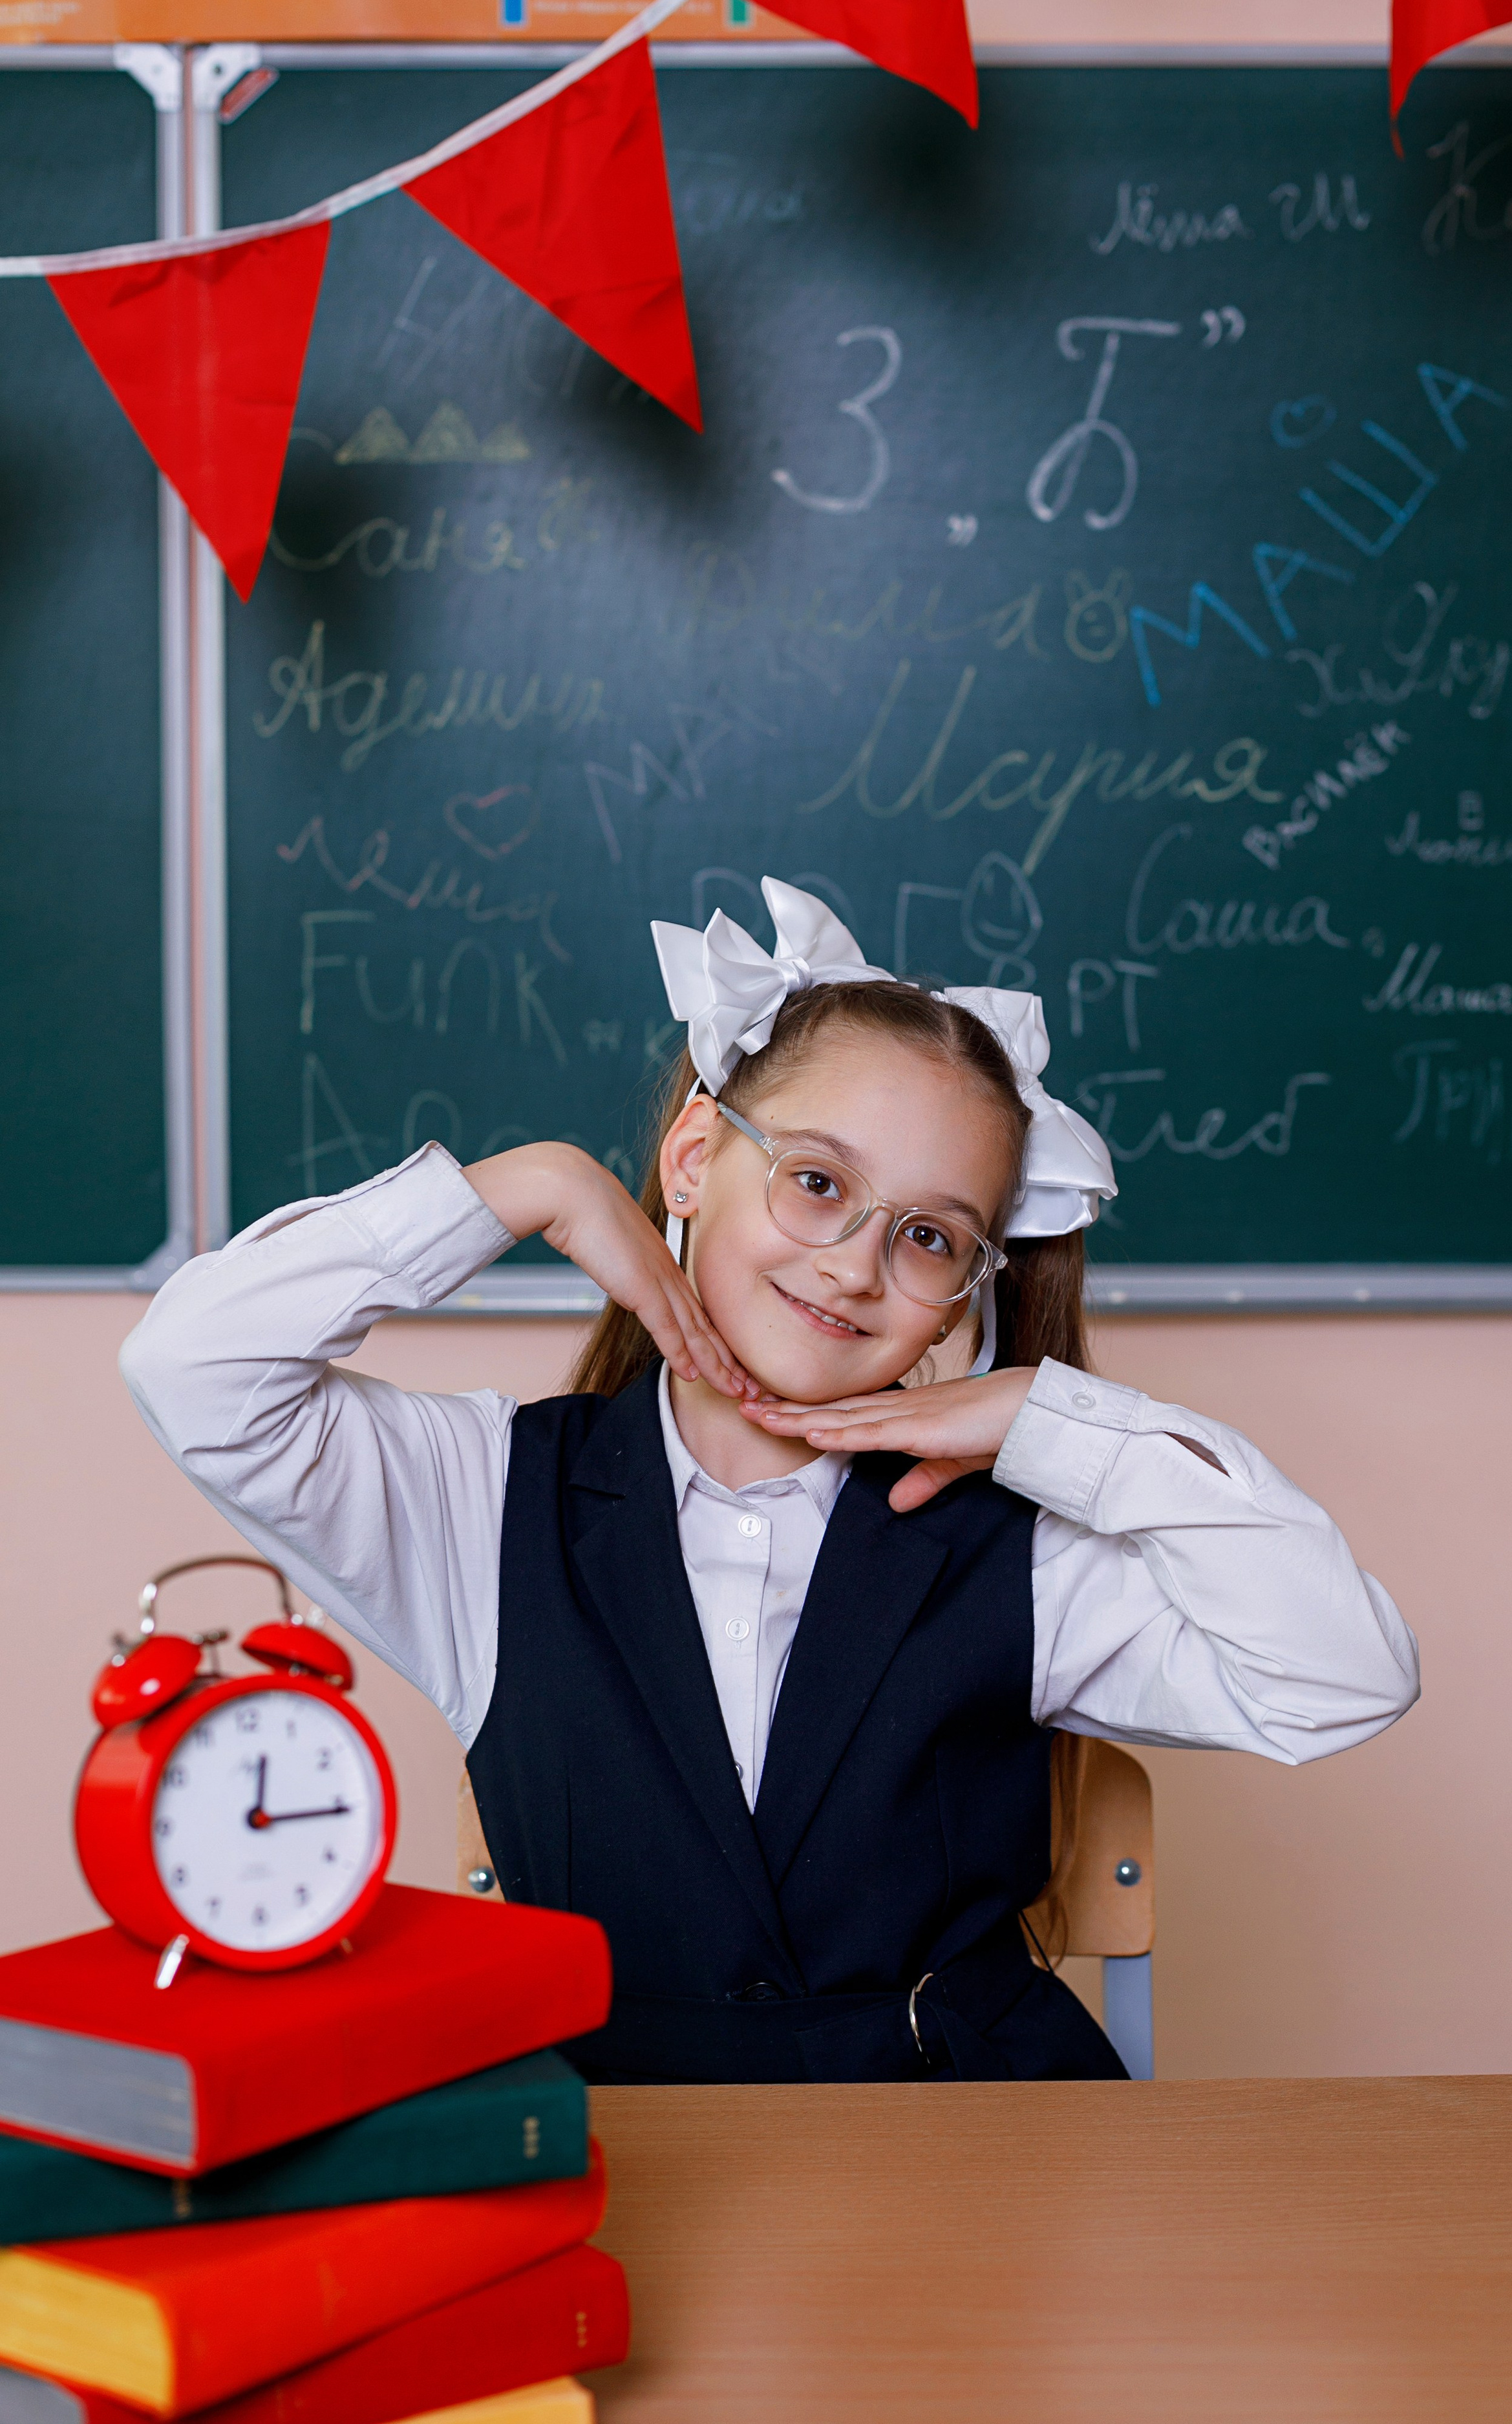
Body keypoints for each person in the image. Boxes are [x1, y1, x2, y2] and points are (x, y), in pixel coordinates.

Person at [122, 878, 1419, 2084]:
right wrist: (529, 1187)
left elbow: (1340, 1676)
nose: (854, 1267)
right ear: (694, 1159)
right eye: (814, 1182)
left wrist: (1056, 1422)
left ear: (968, 1289)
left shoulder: (1008, 1545)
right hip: (628, 2172)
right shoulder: (484, 1500)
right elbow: (192, 1366)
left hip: (981, 2177)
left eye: (927, 1236)